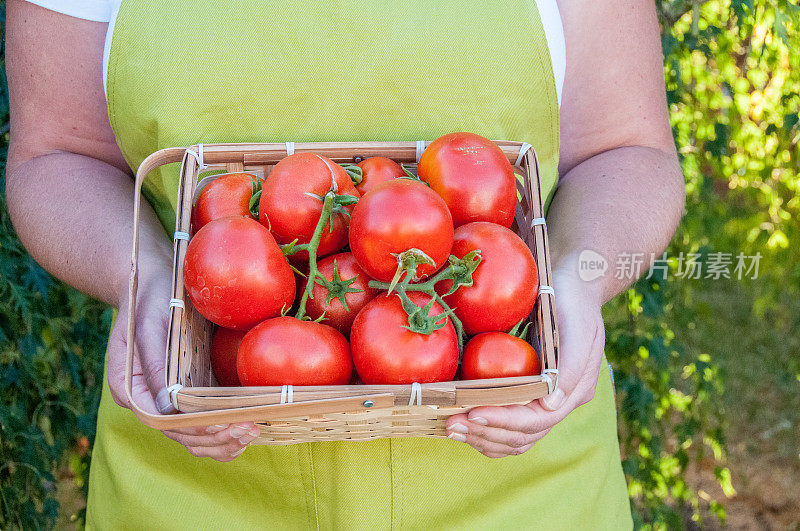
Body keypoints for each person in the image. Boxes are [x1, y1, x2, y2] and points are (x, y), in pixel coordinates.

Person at [6, 0, 684, 528]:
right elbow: (55, 155)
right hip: (194, 468)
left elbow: (628, 151)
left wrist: (576, 279)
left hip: (523, 485)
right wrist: (146, 277)